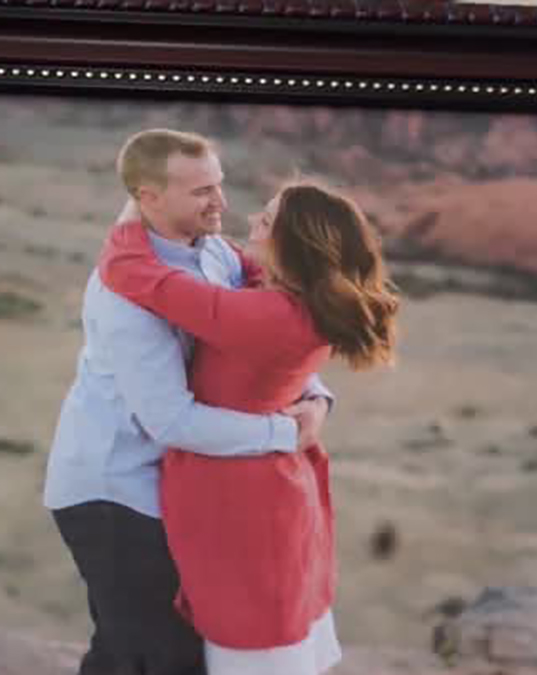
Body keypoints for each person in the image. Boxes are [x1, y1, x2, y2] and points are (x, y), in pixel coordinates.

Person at [43, 129, 336, 675]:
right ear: (148, 199)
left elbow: (284, 326)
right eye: (201, 191)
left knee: (131, 649)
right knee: (158, 653)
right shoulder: (124, 292)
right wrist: (285, 436)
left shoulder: (218, 254)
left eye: (219, 185)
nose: (221, 201)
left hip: (176, 487)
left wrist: (317, 399)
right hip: (117, 489)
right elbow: (170, 421)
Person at [96, 180, 400, 675]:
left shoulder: (265, 315)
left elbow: (131, 272)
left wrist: (139, 209)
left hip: (242, 505)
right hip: (271, 492)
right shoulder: (302, 301)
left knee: (253, 644)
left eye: (265, 223)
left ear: (292, 247)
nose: (250, 227)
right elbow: (240, 261)